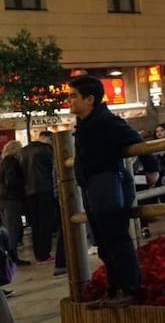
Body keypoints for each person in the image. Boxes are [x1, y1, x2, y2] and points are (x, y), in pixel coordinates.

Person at [69, 76, 143, 307]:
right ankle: (113, 290)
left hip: (108, 184)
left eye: (73, 96)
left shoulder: (105, 121)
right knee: (103, 240)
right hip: (92, 186)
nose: (69, 101)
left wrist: (152, 169)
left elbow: (134, 138)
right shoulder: (86, 123)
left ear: (89, 99)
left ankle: (130, 289)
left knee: (116, 237)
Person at [19, 132, 54, 262]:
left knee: (36, 224)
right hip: (44, 188)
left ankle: (39, 253)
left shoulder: (24, 151)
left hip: (29, 191)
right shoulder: (46, 149)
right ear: (48, 139)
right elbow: (52, 167)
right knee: (46, 222)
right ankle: (45, 253)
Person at [0, 143, 26, 267]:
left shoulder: (4, 162)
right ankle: (12, 259)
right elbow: (12, 181)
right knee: (13, 229)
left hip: (4, 199)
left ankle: (11, 258)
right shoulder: (12, 163)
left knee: (9, 229)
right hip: (11, 199)